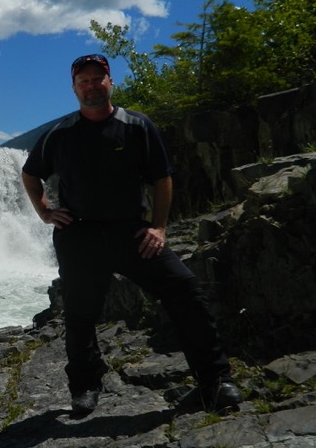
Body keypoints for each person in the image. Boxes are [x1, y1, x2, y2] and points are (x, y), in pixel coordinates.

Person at [21, 53, 242, 416]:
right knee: (79, 314)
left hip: (132, 232)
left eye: (98, 79)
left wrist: (159, 226)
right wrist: (45, 212)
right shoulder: (59, 135)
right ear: (75, 88)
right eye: (84, 81)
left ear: (110, 82)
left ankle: (215, 381)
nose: (91, 86)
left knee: (184, 290)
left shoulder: (137, 126)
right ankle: (86, 386)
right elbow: (31, 174)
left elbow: (162, 178)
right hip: (79, 235)